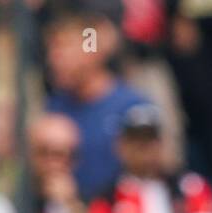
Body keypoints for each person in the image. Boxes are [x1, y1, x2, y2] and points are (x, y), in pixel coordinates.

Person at [45, 7, 152, 199]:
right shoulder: (53, 109)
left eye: (63, 47)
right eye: (51, 49)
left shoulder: (131, 108)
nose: (54, 58)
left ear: (90, 51)